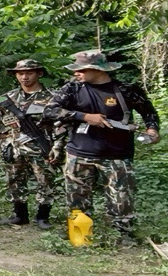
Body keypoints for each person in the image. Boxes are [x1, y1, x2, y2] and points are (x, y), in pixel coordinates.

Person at [43, 50, 159, 242]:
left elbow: (149, 113)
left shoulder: (125, 89)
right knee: (77, 199)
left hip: (117, 154)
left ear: (97, 70)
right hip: (78, 153)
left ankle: (124, 236)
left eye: (81, 69)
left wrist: (152, 131)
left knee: (122, 200)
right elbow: (50, 110)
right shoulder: (73, 88)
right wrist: (84, 117)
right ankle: (80, 236)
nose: (76, 73)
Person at [0, 59, 67, 229]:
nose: (24, 77)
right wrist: (3, 142)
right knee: (14, 181)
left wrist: (57, 147)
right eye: (20, 73)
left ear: (39, 74)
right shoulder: (9, 98)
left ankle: (42, 217)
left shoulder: (52, 97)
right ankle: (20, 215)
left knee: (46, 182)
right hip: (14, 148)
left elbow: (62, 125)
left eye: (29, 73)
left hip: (42, 147)